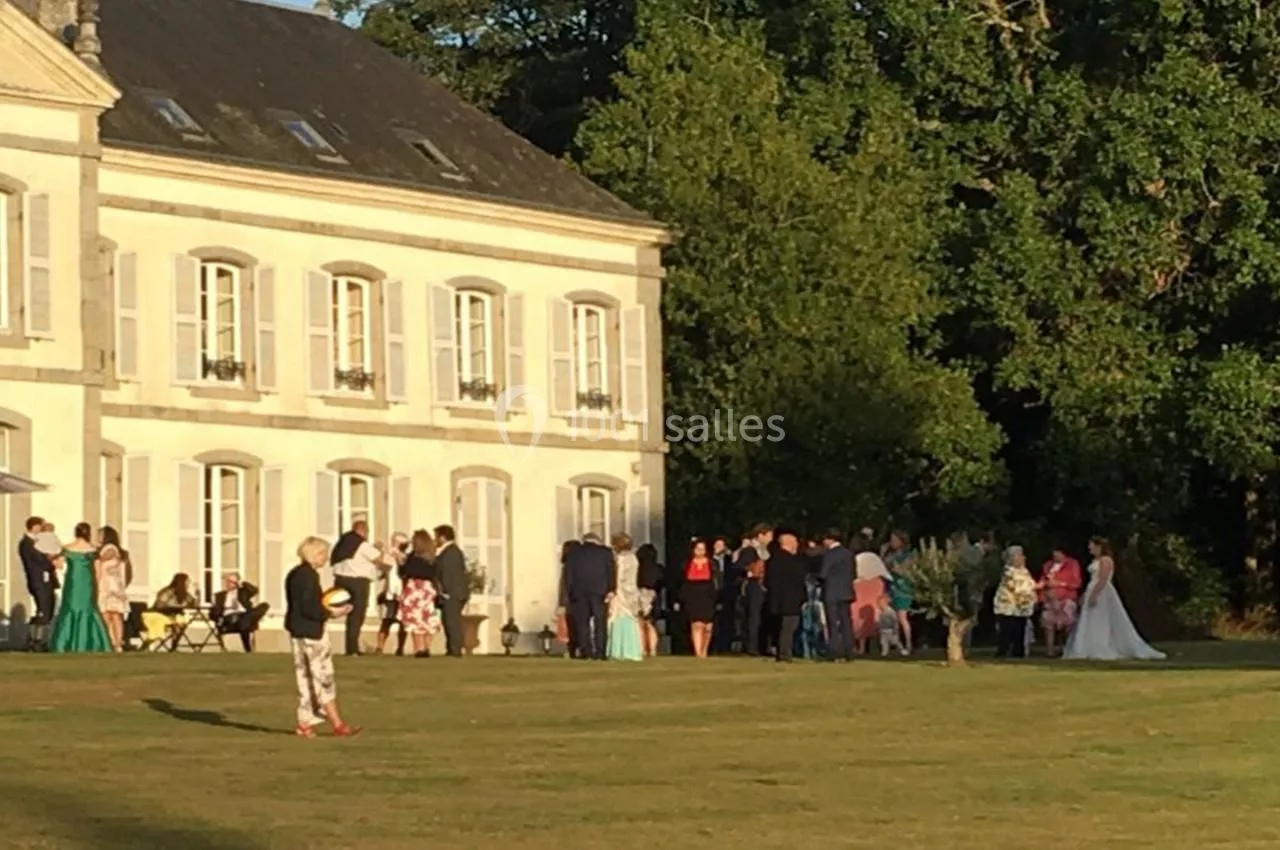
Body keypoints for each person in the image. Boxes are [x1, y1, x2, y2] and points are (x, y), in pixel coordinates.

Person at [286, 536, 359, 738]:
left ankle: (305, 723)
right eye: (324, 554)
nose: (326, 559)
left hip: (297, 631)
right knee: (322, 677)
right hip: (312, 632)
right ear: (315, 554)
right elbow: (310, 607)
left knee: (305, 678)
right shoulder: (308, 576)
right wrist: (332, 612)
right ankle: (337, 723)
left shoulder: (294, 574)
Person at [1063, 537, 1166, 661]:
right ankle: (1087, 646)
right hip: (1092, 587)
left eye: (1091, 545)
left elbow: (1103, 579)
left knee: (1100, 618)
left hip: (1102, 591)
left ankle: (1100, 645)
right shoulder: (1095, 560)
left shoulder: (1106, 560)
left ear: (1099, 546)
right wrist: (1086, 594)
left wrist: (1095, 594)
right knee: (1089, 618)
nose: (1089, 548)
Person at [50, 522, 111, 653]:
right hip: (87, 583)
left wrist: (53, 560)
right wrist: (96, 586)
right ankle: (92, 642)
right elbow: (98, 570)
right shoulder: (93, 550)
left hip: (73, 582)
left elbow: (58, 564)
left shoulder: (68, 548)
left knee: (70, 608)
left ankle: (64, 643)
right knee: (88, 608)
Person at [329, 519, 383, 656]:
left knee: (340, 611)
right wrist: (379, 549)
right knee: (357, 615)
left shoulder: (342, 543)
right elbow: (379, 559)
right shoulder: (361, 544)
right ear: (362, 531)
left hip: (341, 580)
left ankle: (350, 646)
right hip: (358, 582)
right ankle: (352, 648)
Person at [564, 532, 615, 660]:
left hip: (579, 592)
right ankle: (600, 652)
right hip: (600, 592)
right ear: (597, 540)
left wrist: (569, 593)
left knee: (582, 624)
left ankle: (586, 652)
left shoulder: (574, 553)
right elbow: (611, 572)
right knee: (600, 623)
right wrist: (611, 589)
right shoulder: (606, 552)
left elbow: (569, 575)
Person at [764, 530, 809, 662]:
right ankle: (785, 653)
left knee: (780, 627)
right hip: (791, 599)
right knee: (789, 627)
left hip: (776, 599)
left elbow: (768, 581)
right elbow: (799, 580)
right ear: (788, 543)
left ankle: (780, 651)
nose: (797, 544)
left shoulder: (772, 560)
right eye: (795, 542)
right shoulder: (794, 561)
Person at [399, 530, 441, 657]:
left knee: (415, 619)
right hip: (427, 589)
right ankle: (426, 646)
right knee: (428, 618)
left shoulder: (413, 557)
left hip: (415, 588)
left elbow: (405, 572)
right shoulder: (432, 558)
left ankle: (419, 648)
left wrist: (401, 563)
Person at [19, 515, 58, 650]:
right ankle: (36, 639)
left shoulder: (37, 541)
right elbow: (38, 562)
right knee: (43, 610)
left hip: (45, 580)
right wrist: (51, 561)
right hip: (38, 581)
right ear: (35, 526)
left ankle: (38, 638)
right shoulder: (27, 544)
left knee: (47, 609)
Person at [993, 545, 1037, 658]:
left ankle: (1018, 651)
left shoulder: (1024, 571)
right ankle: (1004, 651)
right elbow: (1016, 587)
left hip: (1021, 607)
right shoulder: (1009, 571)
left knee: (1020, 630)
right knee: (1006, 629)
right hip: (1008, 606)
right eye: (1019, 556)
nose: (1023, 558)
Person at [1038, 546, 1083, 657]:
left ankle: (1068, 648)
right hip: (1050, 598)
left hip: (1066, 598)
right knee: (1048, 621)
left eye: (1058, 553)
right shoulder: (1047, 565)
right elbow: (1043, 580)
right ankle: (1049, 650)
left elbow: (1076, 583)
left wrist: (1059, 583)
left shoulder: (1072, 564)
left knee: (1068, 622)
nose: (1056, 556)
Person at [818, 528, 855, 661]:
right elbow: (853, 573)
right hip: (846, 591)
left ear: (829, 539)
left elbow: (823, 573)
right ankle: (849, 650)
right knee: (846, 622)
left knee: (832, 623)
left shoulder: (829, 554)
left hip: (831, 592)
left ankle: (833, 650)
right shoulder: (848, 553)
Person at [433, 524, 470, 657]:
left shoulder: (451, 552)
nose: (435, 540)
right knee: (448, 621)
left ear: (442, 537)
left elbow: (449, 573)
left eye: (436, 537)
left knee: (452, 622)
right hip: (454, 593)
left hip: (453, 593)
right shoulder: (449, 551)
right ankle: (451, 649)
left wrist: (445, 592)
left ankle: (455, 650)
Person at [210, 572, 270, 652]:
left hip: (244, 615)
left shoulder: (243, 592)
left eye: (231, 581)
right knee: (245, 622)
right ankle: (248, 649)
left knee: (265, 605)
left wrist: (242, 583)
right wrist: (218, 617)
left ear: (236, 582)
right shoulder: (219, 596)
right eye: (227, 581)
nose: (228, 583)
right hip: (229, 618)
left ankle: (246, 621)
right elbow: (212, 613)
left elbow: (255, 590)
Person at [607, 533, 643, 661]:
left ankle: (619, 650)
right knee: (630, 621)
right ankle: (631, 650)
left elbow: (619, 577)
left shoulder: (621, 559)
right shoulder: (633, 558)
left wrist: (612, 591)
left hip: (621, 593)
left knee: (618, 619)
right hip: (631, 592)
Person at [852, 532, 889, 654]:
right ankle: (874, 645)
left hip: (861, 586)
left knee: (858, 616)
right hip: (874, 585)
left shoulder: (857, 558)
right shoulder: (874, 557)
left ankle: (861, 646)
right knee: (873, 615)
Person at [95, 526, 130, 652]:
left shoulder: (111, 548)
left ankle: (117, 642)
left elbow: (105, 556)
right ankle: (110, 641)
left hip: (110, 586)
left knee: (114, 615)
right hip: (107, 585)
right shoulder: (105, 549)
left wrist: (94, 555)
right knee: (107, 615)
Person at [680, 539, 717, 658]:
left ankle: (704, 650)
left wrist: (717, 597)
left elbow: (717, 580)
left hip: (708, 595)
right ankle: (698, 652)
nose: (700, 551)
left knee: (708, 627)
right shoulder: (686, 563)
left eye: (702, 549)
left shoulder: (712, 563)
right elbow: (681, 581)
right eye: (698, 549)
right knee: (697, 625)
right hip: (693, 594)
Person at [741, 523, 773, 656]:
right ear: (760, 535)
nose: (771, 539)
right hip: (754, 585)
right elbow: (740, 566)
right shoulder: (750, 550)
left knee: (765, 616)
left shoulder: (767, 551)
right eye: (769, 536)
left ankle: (764, 646)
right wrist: (750, 570)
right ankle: (752, 647)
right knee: (754, 616)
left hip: (765, 585)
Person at [375, 532, 409, 656]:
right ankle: (379, 647)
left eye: (395, 542)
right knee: (386, 621)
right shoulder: (389, 557)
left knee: (402, 623)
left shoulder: (406, 557)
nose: (392, 544)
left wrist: (396, 554)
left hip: (402, 593)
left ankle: (400, 648)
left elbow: (403, 565)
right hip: (389, 593)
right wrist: (380, 553)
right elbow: (381, 572)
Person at [884, 531, 917, 655]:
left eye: (894, 540)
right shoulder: (891, 555)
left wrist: (895, 568)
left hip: (904, 588)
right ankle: (897, 645)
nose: (892, 543)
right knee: (893, 618)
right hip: (892, 587)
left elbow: (905, 571)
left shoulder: (909, 555)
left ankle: (908, 644)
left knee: (902, 617)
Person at [635, 543, 663, 657]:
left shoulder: (638, 569)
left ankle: (643, 648)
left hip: (640, 596)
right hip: (654, 597)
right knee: (651, 624)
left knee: (641, 624)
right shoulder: (658, 568)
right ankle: (652, 649)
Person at [557, 540, 582, 657]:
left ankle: (573, 649)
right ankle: (576, 648)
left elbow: (563, 586)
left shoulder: (567, 567)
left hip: (570, 601)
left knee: (572, 626)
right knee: (576, 626)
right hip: (575, 601)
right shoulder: (574, 566)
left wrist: (561, 603)